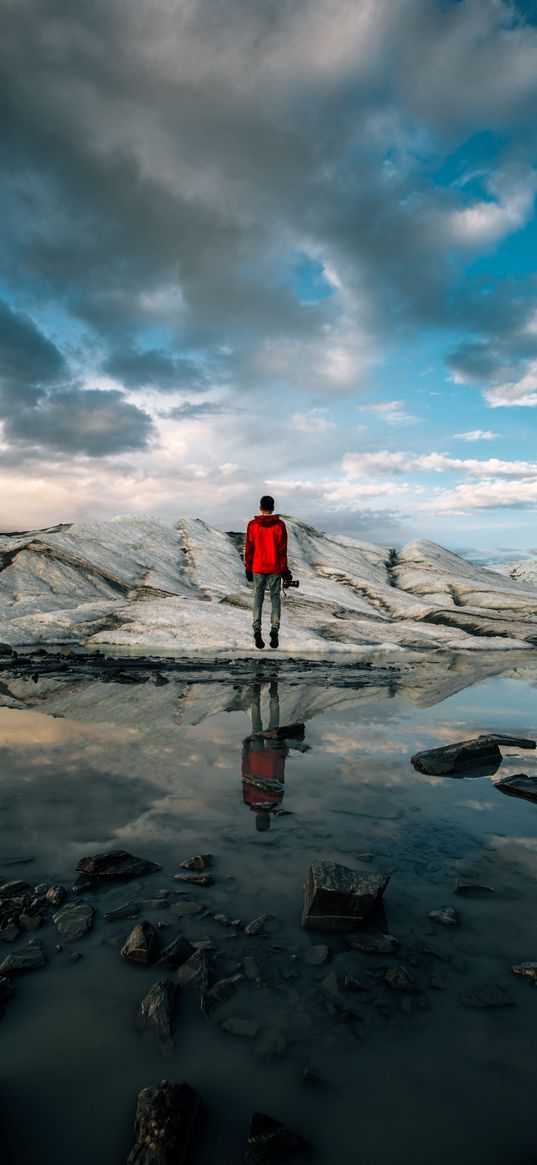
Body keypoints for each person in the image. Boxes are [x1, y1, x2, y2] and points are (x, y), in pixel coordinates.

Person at [244, 495, 292, 649]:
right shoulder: (279, 525)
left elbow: (249, 548)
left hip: (258, 567)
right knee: (275, 597)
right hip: (274, 567)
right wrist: (284, 569)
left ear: (260, 508)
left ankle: (257, 630)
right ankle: (274, 629)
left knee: (258, 597)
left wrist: (248, 568)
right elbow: (282, 550)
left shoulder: (252, 525)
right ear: (273, 508)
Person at [241, 680, 288, 831]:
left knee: (274, 725)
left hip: (273, 758)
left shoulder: (276, 802)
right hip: (255, 757)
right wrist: (245, 753)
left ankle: (274, 692)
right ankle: (256, 690)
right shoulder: (249, 801)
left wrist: (282, 755)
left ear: (267, 818)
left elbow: (280, 776)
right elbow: (246, 775)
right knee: (256, 723)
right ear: (256, 818)